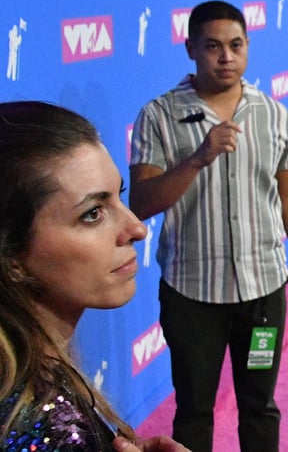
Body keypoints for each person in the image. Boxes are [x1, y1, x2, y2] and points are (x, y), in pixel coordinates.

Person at [129, 0, 288, 452]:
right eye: (213, 46)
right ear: (191, 49)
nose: (226, 57)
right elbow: (140, 202)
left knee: (260, 406)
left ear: (247, 47)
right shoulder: (158, 116)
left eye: (236, 46)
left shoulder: (273, 114)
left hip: (263, 294)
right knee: (194, 411)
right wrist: (198, 158)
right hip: (192, 295)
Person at [0, 101, 187, 452]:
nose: (136, 228)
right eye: (93, 214)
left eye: (120, 196)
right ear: (11, 256)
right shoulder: (47, 427)